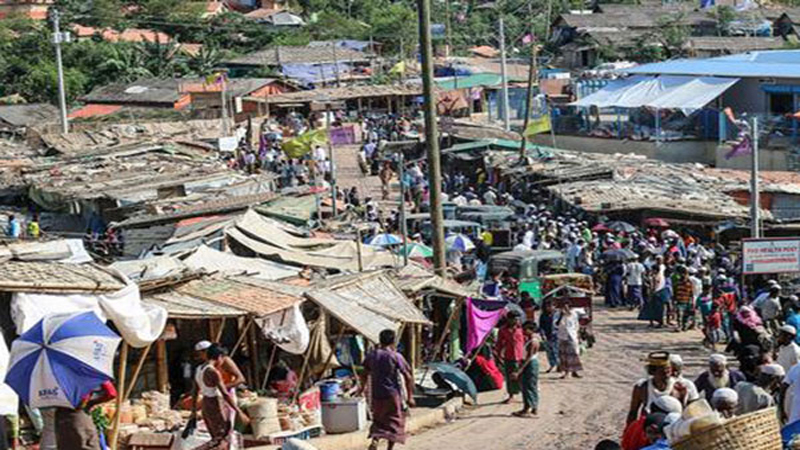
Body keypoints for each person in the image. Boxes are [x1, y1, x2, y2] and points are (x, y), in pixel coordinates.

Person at [359, 329, 415, 450]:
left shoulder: (372, 355)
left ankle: (375, 440)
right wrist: (410, 396)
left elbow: (363, 373)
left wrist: (362, 388)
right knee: (395, 421)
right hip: (392, 394)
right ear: (393, 341)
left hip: (377, 394)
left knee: (378, 419)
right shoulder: (395, 356)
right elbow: (408, 376)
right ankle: (389, 448)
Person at [191, 343, 249, 450]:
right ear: (219, 357)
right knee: (223, 438)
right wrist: (239, 411)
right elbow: (225, 394)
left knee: (216, 438)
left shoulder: (199, 369)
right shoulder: (213, 372)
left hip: (206, 404)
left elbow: (194, 392)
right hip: (216, 405)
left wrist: (193, 411)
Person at [55, 380, 117, 450]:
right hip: (80, 417)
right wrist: (91, 403)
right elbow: (111, 393)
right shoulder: (83, 375)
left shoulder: (56, 377)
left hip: (62, 419)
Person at [512, 321, 540, 418]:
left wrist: (519, 370)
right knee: (530, 386)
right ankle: (530, 407)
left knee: (528, 386)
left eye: (525, 329)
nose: (523, 331)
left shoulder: (533, 341)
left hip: (530, 365)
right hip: (530, 364)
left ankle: (529, 408)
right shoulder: (532, 339)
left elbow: (529, 357)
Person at [495, 313, 525, 403]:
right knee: (510, 377)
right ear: (509, 319)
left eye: (517, 319)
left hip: (521, 356)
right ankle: (511, 395)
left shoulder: (521, 328)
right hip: (509, 356)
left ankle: (525, 395)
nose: (516, 321)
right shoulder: (503, 330)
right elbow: (499, 343)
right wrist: (499, 355)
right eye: (514, 319)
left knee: (523, 377)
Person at [555, 301, 583, 379]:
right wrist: (561, 315)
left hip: (572, 336)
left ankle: (574, 371)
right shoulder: (558, 314)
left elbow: (576, 325)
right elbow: (555, 324)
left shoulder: (573, 314)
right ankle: (566, 372)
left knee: (573, 354)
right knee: (564, 355)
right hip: (563, 336)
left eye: (568, 307)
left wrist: (578, 335)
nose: (566, 309)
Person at [539, 301, 560, 373]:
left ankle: (559, 365)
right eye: (548, 306)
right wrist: (542, 334)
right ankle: (552, 365)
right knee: (549, 352)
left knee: (557, 351)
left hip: (557, 335)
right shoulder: (543, 315)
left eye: (551, 306)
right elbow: (541, 326)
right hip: (547, 335)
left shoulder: (558, 314)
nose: (550, 308)